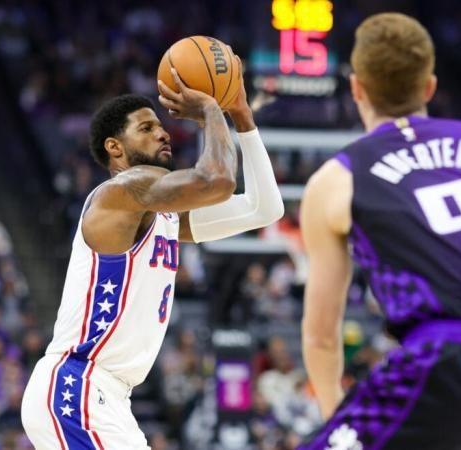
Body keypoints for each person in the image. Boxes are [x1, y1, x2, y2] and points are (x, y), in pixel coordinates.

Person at [299, 12, 461, 450]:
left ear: (357, 88)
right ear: (429, 87)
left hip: (445, 364)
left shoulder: (336, 180)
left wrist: (336, 420)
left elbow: (321, 336)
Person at [21, 63, 283, 449]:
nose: (162, 132)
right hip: (76, 387)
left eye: (160, 126)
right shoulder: (123, 191)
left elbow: (264, 209)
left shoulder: (165, 217)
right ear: (115, 148)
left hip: (109, 397)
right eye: (146, 128)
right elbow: (218, 181)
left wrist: (243, 116)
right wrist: (212, 109)